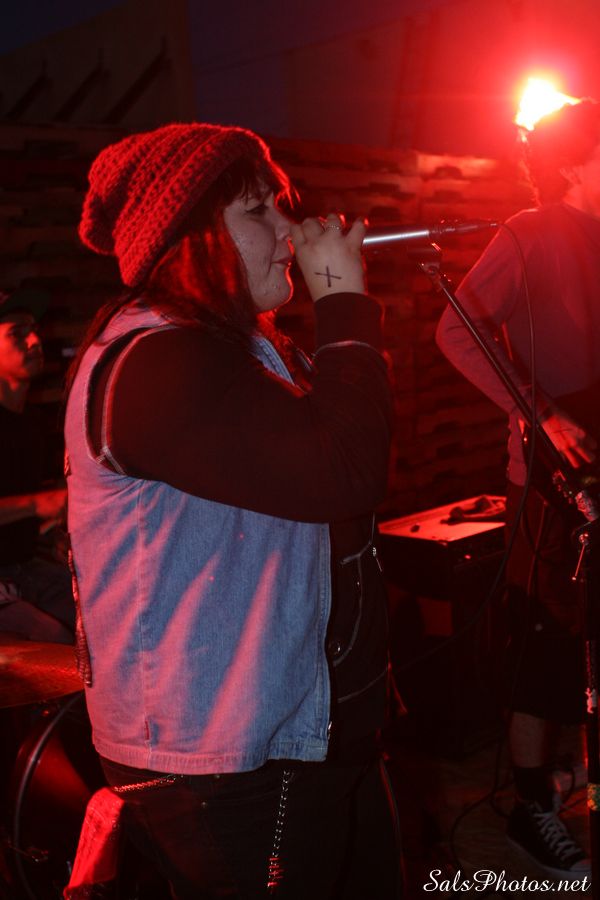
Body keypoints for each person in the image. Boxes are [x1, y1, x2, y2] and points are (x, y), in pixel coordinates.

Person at [64, 123, 401, 899]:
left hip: (306, 733)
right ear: (187, 239)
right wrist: (344, 302)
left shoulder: (246, 348)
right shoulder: (155, 360)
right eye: (257, 211)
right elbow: (345, 472)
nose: (289, 230)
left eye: (284, 206)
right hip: (223, 761)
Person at [436, 100, 600, 880]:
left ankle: (581, 788)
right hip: (549, 483)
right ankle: (532, 812)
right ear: (575, 161)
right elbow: (456, 328)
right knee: (545, 647)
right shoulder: (528, 231)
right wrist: (539, 410)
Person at [0, 288, 74, 643]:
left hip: (25, 567)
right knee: (53, 638)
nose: (34, 341)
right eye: (17, 334)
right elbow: (35, 502)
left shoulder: (33, 423)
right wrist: (36, 504)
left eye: (34, 330)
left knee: (100, 614)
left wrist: (54, 532)